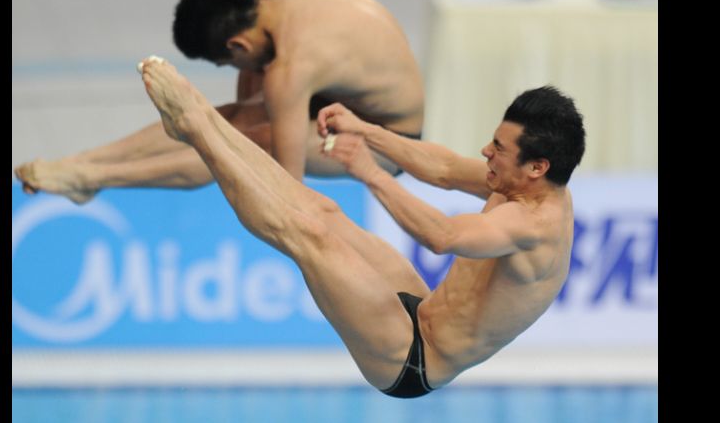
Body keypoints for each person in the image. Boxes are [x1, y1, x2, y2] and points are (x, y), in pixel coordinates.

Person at [138, 57, 585, 398]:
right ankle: (207, 120)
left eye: (499, 148)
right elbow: (445, 169)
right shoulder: (519, 181)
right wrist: (366, 130)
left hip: (413, 359)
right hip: (421, 310)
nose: (486, 150)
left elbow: (442, 237)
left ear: (537, 166)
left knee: (307, 237)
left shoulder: (534, 224)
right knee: (324, 212)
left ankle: (195, 127)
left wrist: (370, 172)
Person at [14, 0, 425, 204]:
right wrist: (231, 123)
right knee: (227, 122)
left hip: (391, 139)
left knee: (246, 144)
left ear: (237, 46)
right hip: (338, 94)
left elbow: (290, 194)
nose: (237, 71)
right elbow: (245, 109)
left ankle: (95, 176)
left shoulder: (291, 69)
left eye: (226, 63)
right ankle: (80, 164)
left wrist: (234, 147)